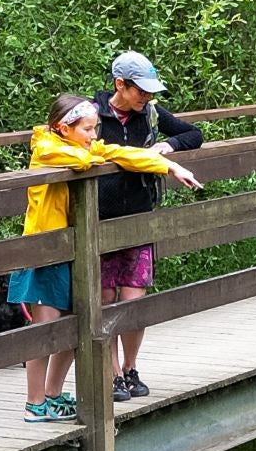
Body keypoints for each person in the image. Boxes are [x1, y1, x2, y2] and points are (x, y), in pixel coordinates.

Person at [9, 92, 197, 422]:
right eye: (87, 129)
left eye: (96, 129)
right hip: (43, 252)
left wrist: (168, 164)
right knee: (44, 331)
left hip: (69, 249)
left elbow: (119, 152)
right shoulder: (48, 148)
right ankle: (34, 402)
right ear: (62, 128)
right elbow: (85, 159)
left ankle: (52, 395)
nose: (94, 137)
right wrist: (95, 152)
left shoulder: (78, 145)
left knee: (74, 325)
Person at [87, 51, 204, 401]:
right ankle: (111, 376)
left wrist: (167, 145)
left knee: (134, 298)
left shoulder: (150, 113)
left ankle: (130, 368)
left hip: (139, 215)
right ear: (119, 85)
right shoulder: (91, 114)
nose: (148, 98)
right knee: (105, 298)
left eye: (151, 92)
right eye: (141, 91)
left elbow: (193, 134)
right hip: (100, 217)